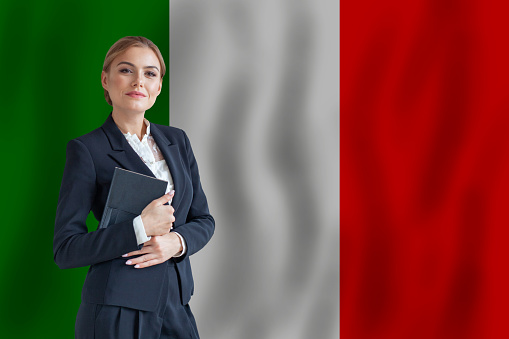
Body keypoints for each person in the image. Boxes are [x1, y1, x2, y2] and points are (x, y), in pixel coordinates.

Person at [53, 36, 214, 338]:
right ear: (105, 79)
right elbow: (66, 249)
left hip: (177, 307)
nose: (138, 81)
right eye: (126, 70)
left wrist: (175, 242)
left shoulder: (177, 141)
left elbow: (204, 220)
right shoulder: (87, 150)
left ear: (159, 86)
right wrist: (140, 227)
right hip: (116, 311)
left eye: (150, 73)